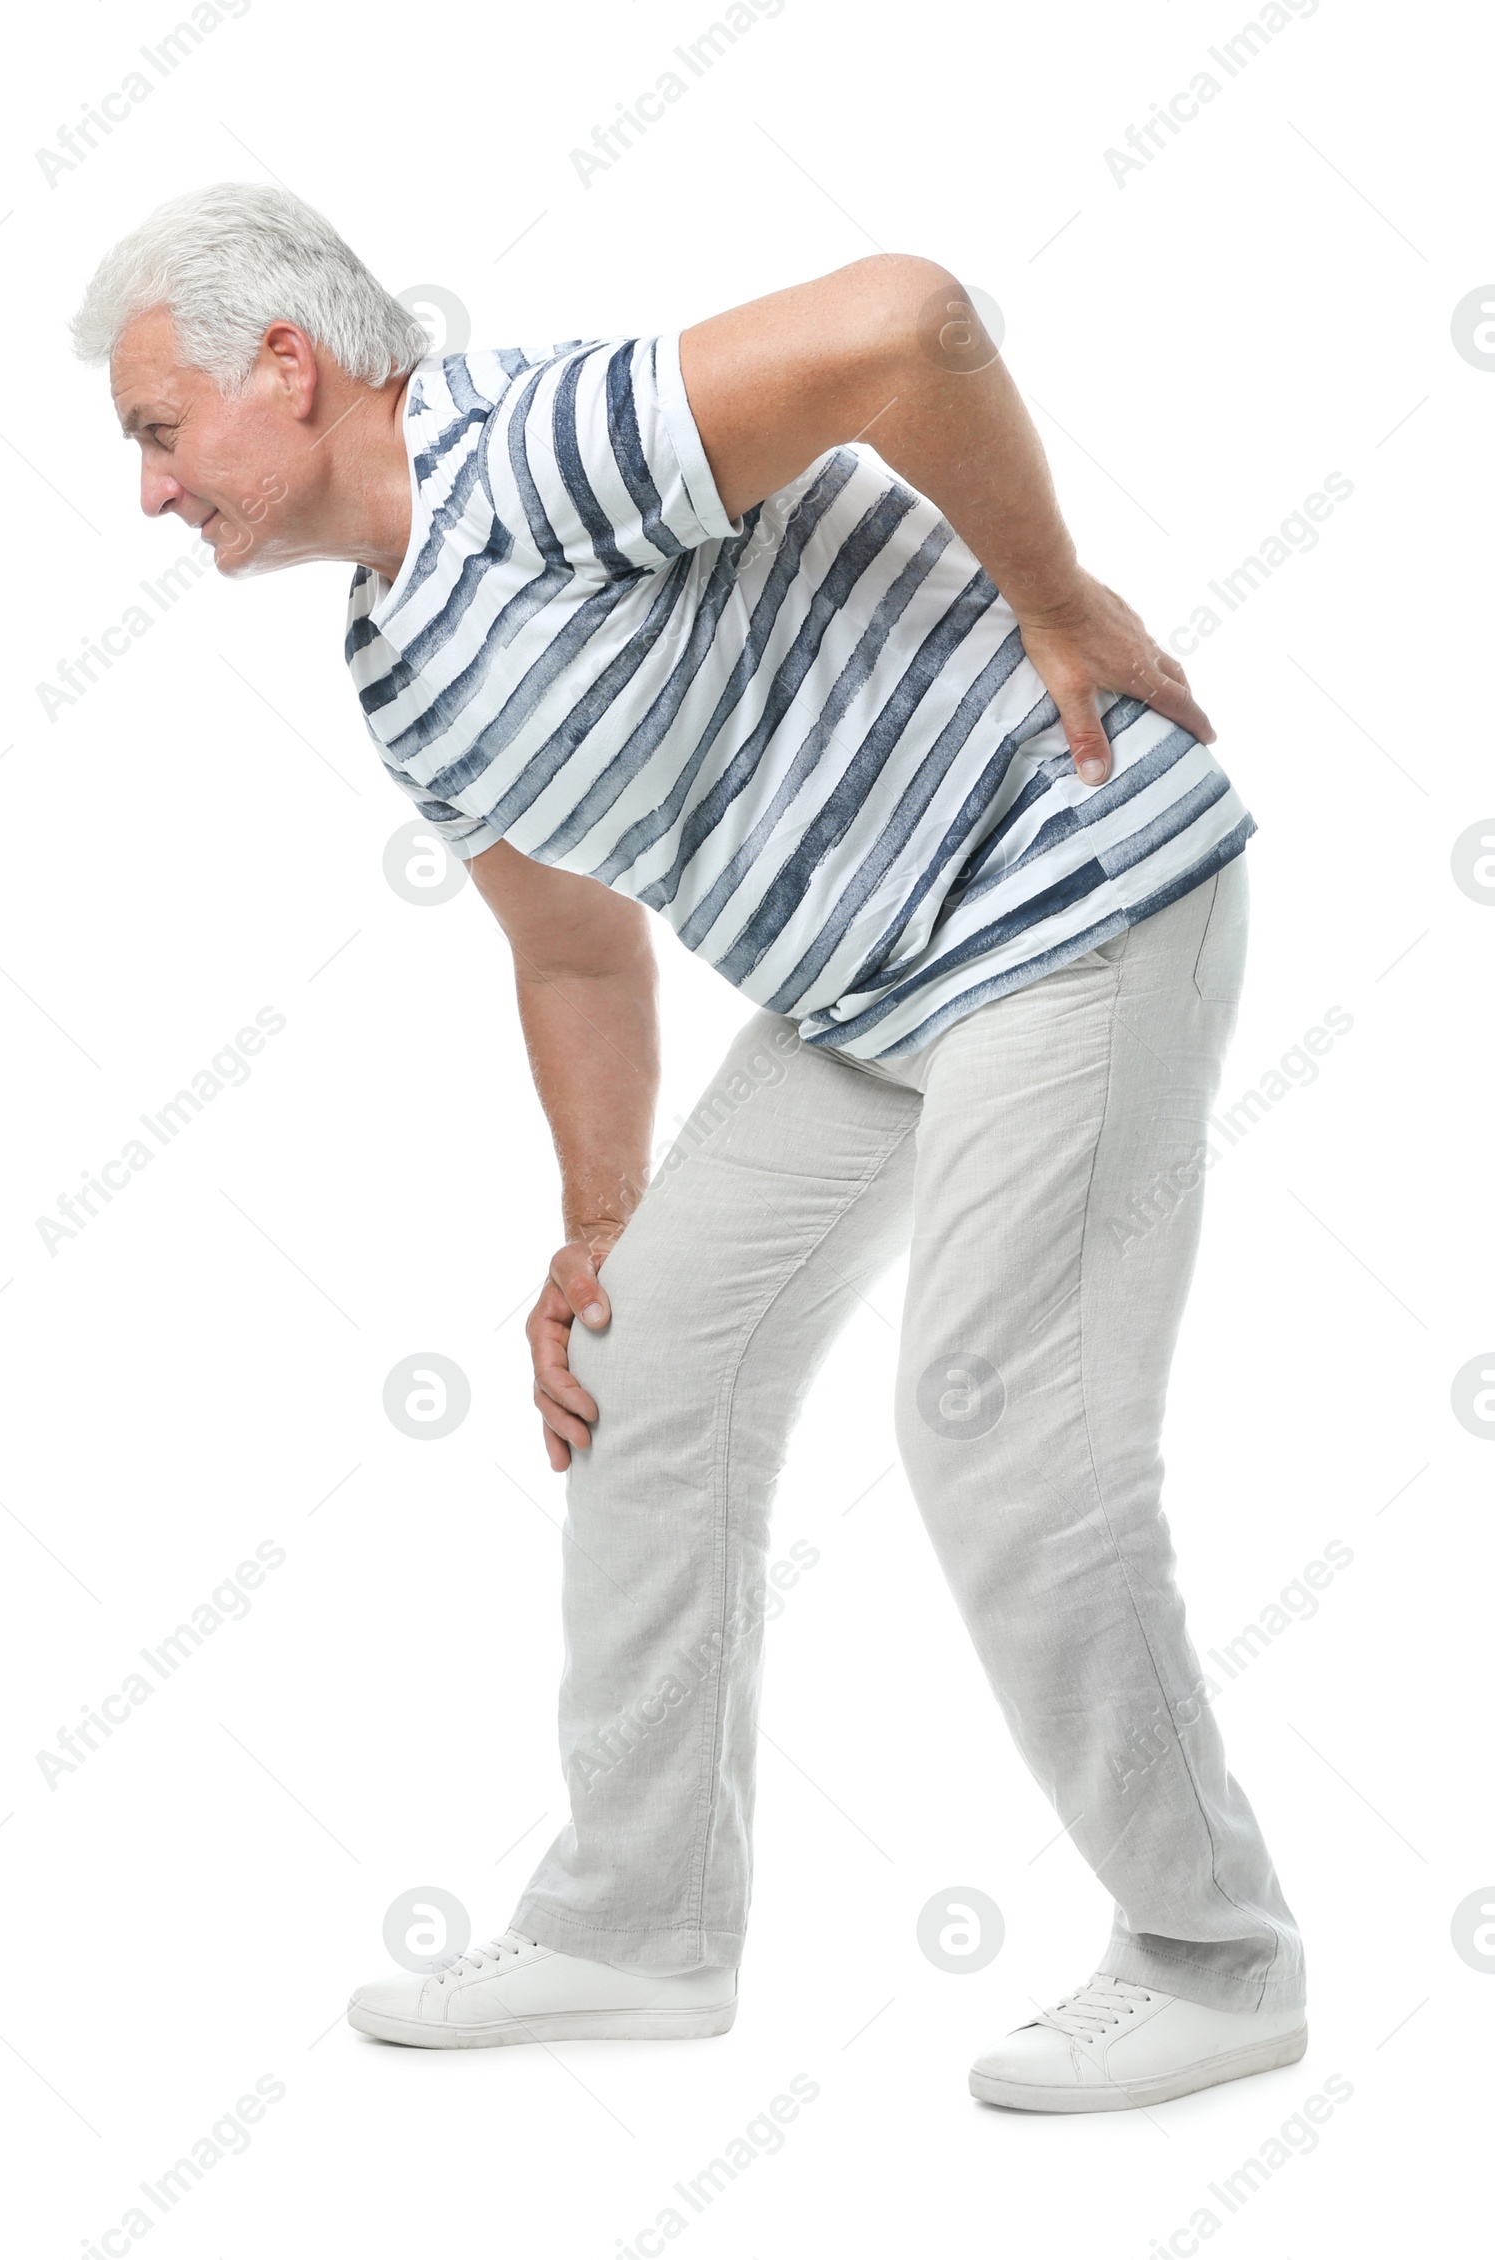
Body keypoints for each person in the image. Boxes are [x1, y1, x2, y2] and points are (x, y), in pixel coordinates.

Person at [73, 182, 1306, 2110]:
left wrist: (1055, 600)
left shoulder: (535, 455)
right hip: (872, 1000)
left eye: (159, 431)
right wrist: (598, 1235)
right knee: (641, 1373)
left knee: (996, 1422)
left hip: (1067, 895)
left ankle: (1215, 1956)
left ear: (288, 370)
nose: (152, 492)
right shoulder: (402, 668)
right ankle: (633, 1928)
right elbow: (573, 951)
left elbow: (908, 317)